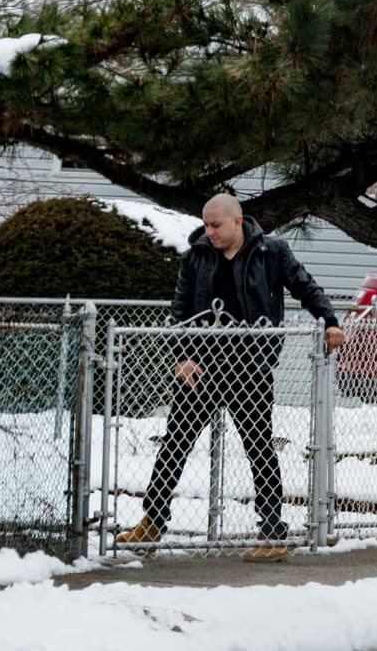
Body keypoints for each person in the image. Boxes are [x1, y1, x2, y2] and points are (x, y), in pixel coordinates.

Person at [116, 193, 345, 562]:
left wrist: (330, 321)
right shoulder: (195, 257)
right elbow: (180, 310)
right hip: (201, 369)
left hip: (251, 367)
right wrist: (182, 358)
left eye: (216, 225)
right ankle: (153, 523)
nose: (209, 232)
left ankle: (272, 532)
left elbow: (306, 286)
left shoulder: (272, 252)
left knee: (259, 447)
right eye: (205, 225)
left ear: (238, 221)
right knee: (174, 444)